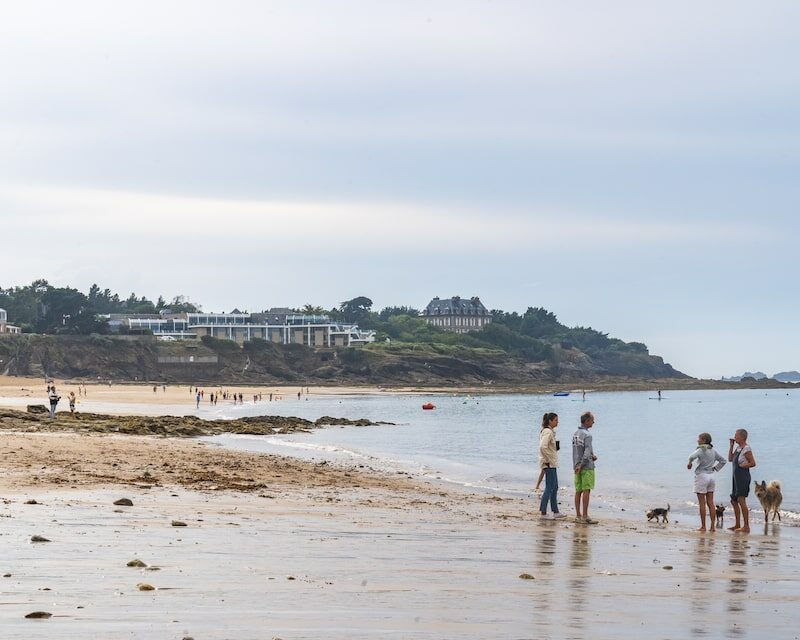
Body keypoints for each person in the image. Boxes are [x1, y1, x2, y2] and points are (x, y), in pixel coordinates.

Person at [687, 432, 726, 531]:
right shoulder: (713, 450)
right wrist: (715, 468)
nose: (697, 440)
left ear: (704, 440)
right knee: (711, 503)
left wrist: (690, 463)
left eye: (699, 439)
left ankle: (703, 526)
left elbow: (691, 456)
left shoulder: (701, 449)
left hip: (702, 476)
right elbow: (723, 461)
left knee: (702, 503)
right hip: (711, 476)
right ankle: (712, 527)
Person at [728, 428, 756, 533]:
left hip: (743, 477)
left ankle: (746, 526)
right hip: (735, 477)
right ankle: (737, 524)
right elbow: (730, 459)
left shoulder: (746, 449)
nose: (734, 437)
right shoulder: (738, 448)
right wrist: (731, 446)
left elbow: (753, 463)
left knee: (741, 500)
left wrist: (744, 466)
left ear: (742, 437)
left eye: (736, 435)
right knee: (734, 500)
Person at [538, 412, 566, 519]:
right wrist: (548, 459)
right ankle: (543, 513)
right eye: (556, 420)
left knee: (554, 487)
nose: (557, 422)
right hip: (549, 463)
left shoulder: (549, 432)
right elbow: (542, 447)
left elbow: (547, 447)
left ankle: (555, 511)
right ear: (550, 421)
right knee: (549, 487)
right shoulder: (547, 432)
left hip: (552, 463)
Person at [572, 412, 598, 524]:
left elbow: (578, 450)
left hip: (576, 465)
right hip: (586, 467)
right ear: (587, 421)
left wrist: (578, 465)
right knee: (586, 490)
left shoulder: (576, 433)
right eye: (592, 420)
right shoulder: (587, 435)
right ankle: (585, 515)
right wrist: (583, 464)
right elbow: (586, 452)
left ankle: (578, 515)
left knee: (578, 490)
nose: (594, 422)